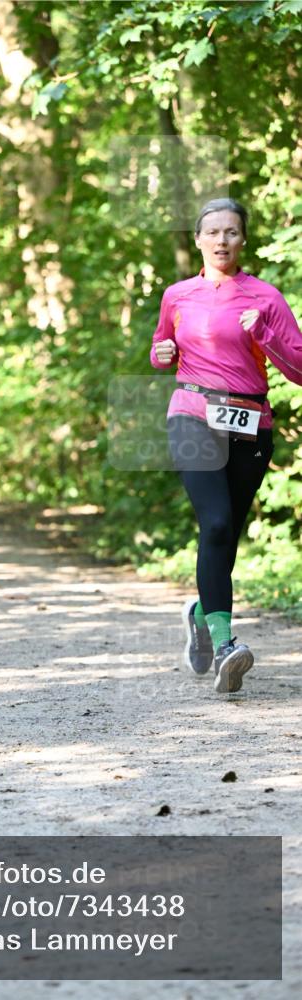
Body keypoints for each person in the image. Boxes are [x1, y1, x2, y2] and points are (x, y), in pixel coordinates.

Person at [151, 197, 302, 694]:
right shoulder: (178, 295)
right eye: (212, 232)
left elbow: (299, 370)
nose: (222, 240)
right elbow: (161, 347)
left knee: (226, 535)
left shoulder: (266, 298)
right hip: (193, 413)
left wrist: (265, 334)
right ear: (198, 240)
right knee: (215, 523)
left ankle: (201, 612)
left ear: (243, 239)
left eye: (231, 232)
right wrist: (161, 353)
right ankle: (224, 646)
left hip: (251, 422)